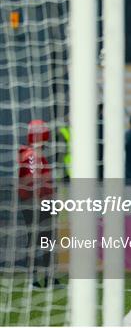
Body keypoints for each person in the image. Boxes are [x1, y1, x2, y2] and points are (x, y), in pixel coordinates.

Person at [18, 120, 59, 287]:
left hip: (38, 201)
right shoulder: (32, 155)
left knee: (45, 239)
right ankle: (36, 279)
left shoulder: (34, 155)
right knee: (39, 239)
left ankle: (48, 278)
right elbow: (34, 180)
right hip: (36, 203)